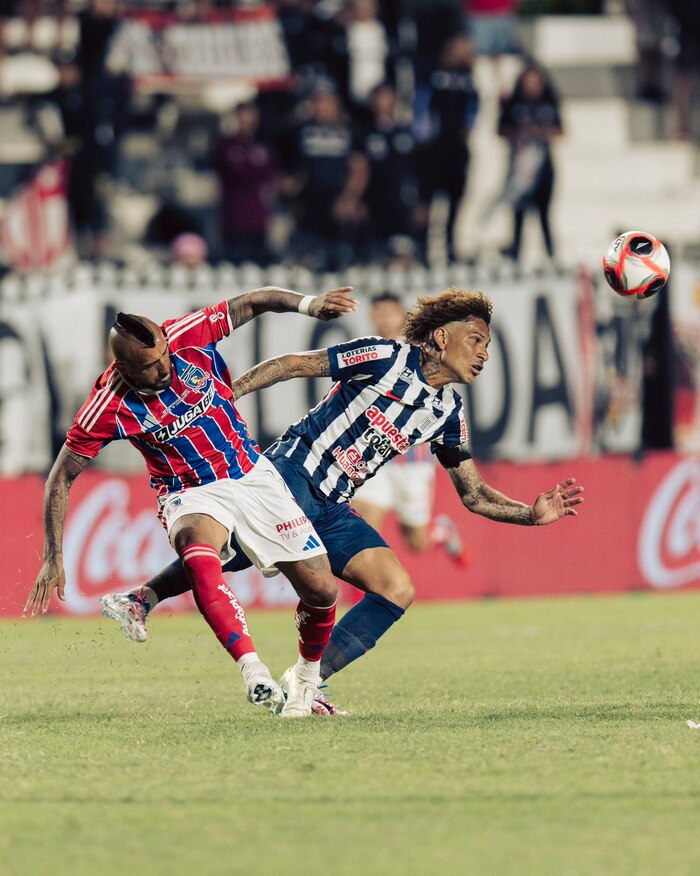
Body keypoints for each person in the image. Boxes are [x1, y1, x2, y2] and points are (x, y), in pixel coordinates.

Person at [101, 289, 583, 711]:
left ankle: (305, 682)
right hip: (292, 473)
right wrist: (230, 394)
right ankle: (143, 598)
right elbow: (295, 364)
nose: (484, 354)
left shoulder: (447, 413)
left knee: (396, 589)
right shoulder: (385, 356)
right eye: (476, 340)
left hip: (334, 505)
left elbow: (473, 494)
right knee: (232, 552)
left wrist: (529, 514)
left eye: (488, 346)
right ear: (441, 337)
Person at [24, 284, 358, 719]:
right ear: (122, 367)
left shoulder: (186, 334)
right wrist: (53, 556)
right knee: (198, 552)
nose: (164, 368)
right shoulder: (106, 405)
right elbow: (60, 477)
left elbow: (252, 301)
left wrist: (310, 305)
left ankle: (305, 684)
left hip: (251, 473)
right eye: (149, 366)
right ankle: (252, 670)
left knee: (322, 590)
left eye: (163, 355)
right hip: (188, 490)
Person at [351, 291, 465, 560]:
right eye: (379, 313)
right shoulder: (365, 352)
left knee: (417, 542)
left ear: (402, 316)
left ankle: (442, 531)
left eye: (389, 313)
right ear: (371, 316)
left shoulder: (420, 353)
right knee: (363, 532)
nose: (384, 319)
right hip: (374, 457)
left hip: (412, 461)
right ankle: (371, 585)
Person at [498, 62, 562, 266]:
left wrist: (539, 132)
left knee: (544, 213)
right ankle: (515, 255)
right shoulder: (513, 104)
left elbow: (561, 130)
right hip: (520, 167)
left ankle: (551, 256)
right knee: (518, 212)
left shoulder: (548, 104)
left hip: (543, 166)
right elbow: (501, 129)